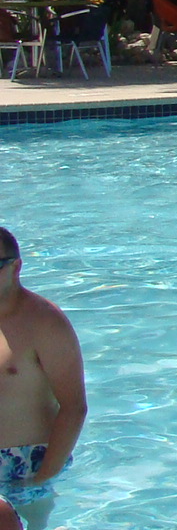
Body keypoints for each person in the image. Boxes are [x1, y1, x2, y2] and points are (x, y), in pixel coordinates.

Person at [0, 227, 87, 530]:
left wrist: (43, 476)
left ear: (15, 266)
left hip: (27, 464)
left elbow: (74, 407)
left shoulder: (45, 323)